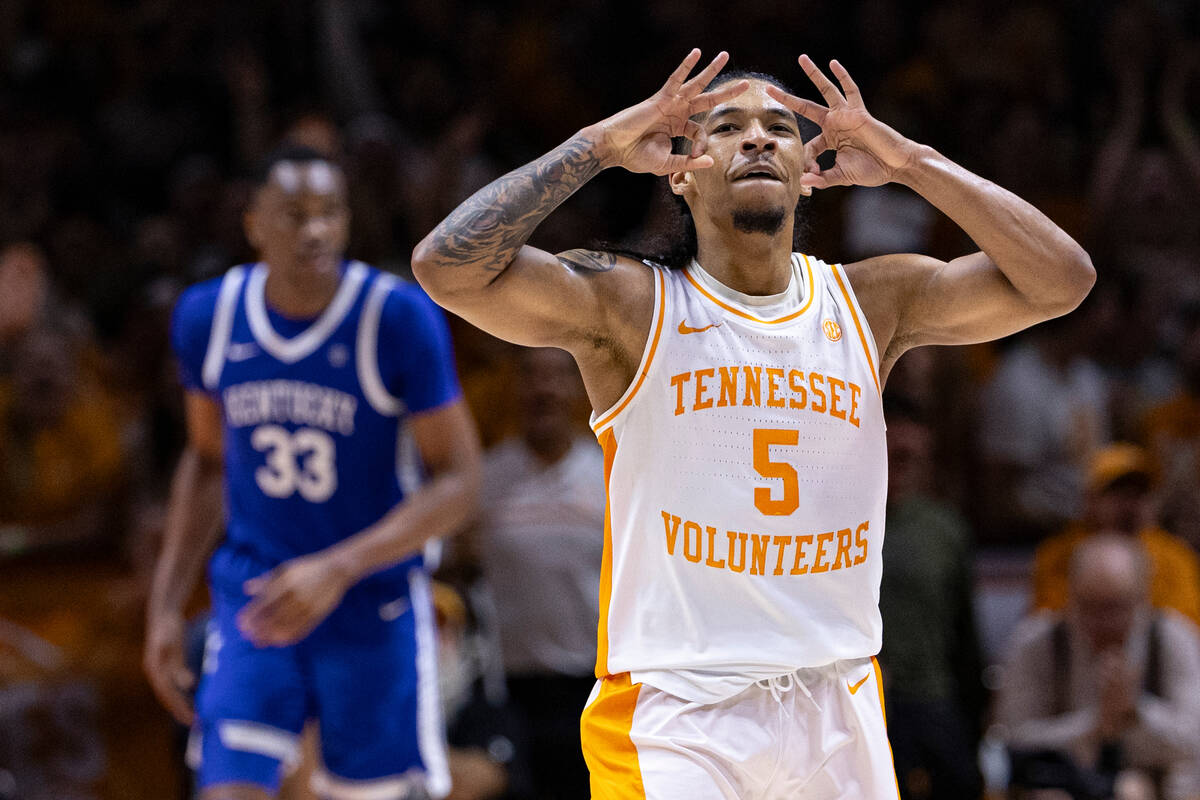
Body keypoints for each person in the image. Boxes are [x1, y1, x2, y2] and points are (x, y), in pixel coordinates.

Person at [412, 49, 1094, 799]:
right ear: (682, 168)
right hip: (679, 713)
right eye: (728, 126)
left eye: (780, 127)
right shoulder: (631, 306)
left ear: (809, 167)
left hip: (838, 700)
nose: (759, 138)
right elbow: (446, 268)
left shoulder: (872, 302)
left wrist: (911, 162)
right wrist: (600, 146)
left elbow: (1062, 281)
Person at [143, 145, 482, 800]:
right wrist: (163, 607)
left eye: (330, 212)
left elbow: (461, 481)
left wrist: (337, 568)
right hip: (256, 597)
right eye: (295, 214)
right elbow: (208, 460)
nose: (315, 230)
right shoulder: (208, 316)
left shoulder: (397, 318)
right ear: (254, 224)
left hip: (369, 602)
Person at [473, 346, 606, 800]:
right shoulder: (485, 479)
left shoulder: (610, 476)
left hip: (593, 688)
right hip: (507, 692)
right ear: (515, 387)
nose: (543, 389)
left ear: (578, 388)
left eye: (556, 376)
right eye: (531, 375)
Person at [997, 534, 1200, 800]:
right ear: (1070, 594)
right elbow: (1015, 737)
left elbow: (1194, 741)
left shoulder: (1173, 637)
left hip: (1153, 782)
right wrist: (1094, 726)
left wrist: (1135, 712)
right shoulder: (1036, 641)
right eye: (1088, 606)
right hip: (1063, 781)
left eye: (1115, 608)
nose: (1101, 622)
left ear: (1143, 598)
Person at [878, 396, 984, 800]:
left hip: (934, 698)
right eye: (890, 454)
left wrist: (974, 711)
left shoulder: (945, 529)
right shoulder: (833, 521)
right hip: (864, 697)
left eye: (908, 458)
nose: (897, 467)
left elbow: (966, 632)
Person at [1032, 443, 1200, 626]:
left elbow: (1189, 627)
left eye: (1140, 494)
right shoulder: (1059, 555)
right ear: (1090, 501)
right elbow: (1050, 624)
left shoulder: (1176, 556)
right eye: (1119, 493)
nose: (1131, 505)